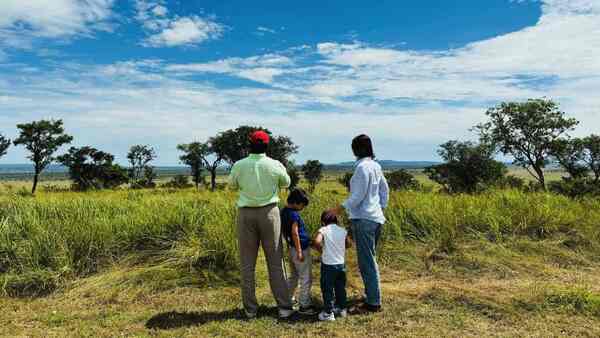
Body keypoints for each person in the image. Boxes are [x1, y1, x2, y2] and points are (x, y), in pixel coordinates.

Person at [228, 130, 294, 319]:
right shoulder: (274, 164)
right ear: (267, 145)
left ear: (250, 145)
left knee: (247, 263)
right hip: (270, 214)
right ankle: (284, 307)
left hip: (245, 214)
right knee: (275, 261)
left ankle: (250, 309)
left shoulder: (239, 165)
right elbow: (286, 182)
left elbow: (232, 186)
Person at [333, 134, 389, 314]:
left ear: (356, 149)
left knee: (367, 262)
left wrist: (338, 209)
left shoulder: (362, 168)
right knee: (370, 259)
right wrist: (380, 208)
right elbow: (384, 190)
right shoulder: (376, 166)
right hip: (376, 218)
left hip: (364, 219)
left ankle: (373, 302)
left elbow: (357, 196)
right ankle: (372, 295)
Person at [281, 188, 318, 315]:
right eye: (302, 205)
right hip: (299, 249)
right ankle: (304, 305)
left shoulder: (284, 212)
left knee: (294, 276)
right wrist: (300, 251)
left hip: (291, 249)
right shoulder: (294, 215)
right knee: (306, 277)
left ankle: (287, 299)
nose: (303, 207)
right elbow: (294, 233)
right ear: (297, 202)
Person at [313, 211, 353, 322]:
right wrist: (340, 248)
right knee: (340, 287)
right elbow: (349, 244)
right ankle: (342, 308)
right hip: (341, 264)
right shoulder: (342, 230)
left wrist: (322, 250)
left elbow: (316, 241)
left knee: (327, 288)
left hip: (328, 265)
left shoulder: (323, 230)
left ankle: (328, 313)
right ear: (336, 220)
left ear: (323, 221)